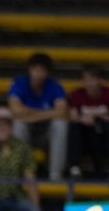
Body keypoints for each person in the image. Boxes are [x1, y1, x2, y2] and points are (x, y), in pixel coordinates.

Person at [8, 53, 68, 182]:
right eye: (35, 70)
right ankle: (19, 174)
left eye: (42, 71)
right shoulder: (19, 84)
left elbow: (62, 112)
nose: (38, 74)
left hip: (46, 135)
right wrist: (47, 113)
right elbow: (15, 110)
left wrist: (32, 115)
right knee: (19, 124)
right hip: (26, 132)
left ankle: (55, 175)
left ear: (47, 73)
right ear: (30, 70)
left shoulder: (55, 86)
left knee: (60, 124)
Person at [66, 65, 109, 179]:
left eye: (93, 79)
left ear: (100, 81)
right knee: (74, 127)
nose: (90, 83)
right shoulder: (77, 94)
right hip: (85, 136)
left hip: (103, 137)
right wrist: (83, 119)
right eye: (86, 80)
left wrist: (99, 116)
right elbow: (72, 118)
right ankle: (74, 168)